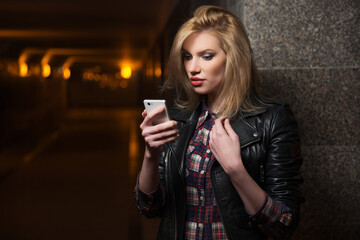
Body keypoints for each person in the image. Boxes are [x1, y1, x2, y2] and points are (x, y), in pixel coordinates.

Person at [134, 5, 304, 240]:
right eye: (187, 56)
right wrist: (151, 155)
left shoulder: (273, 120)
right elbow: (150, 207)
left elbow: (282, 224)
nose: (192, 68)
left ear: (233, 58)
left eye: (207, 56)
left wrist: (236, 170)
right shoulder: (179, 119)